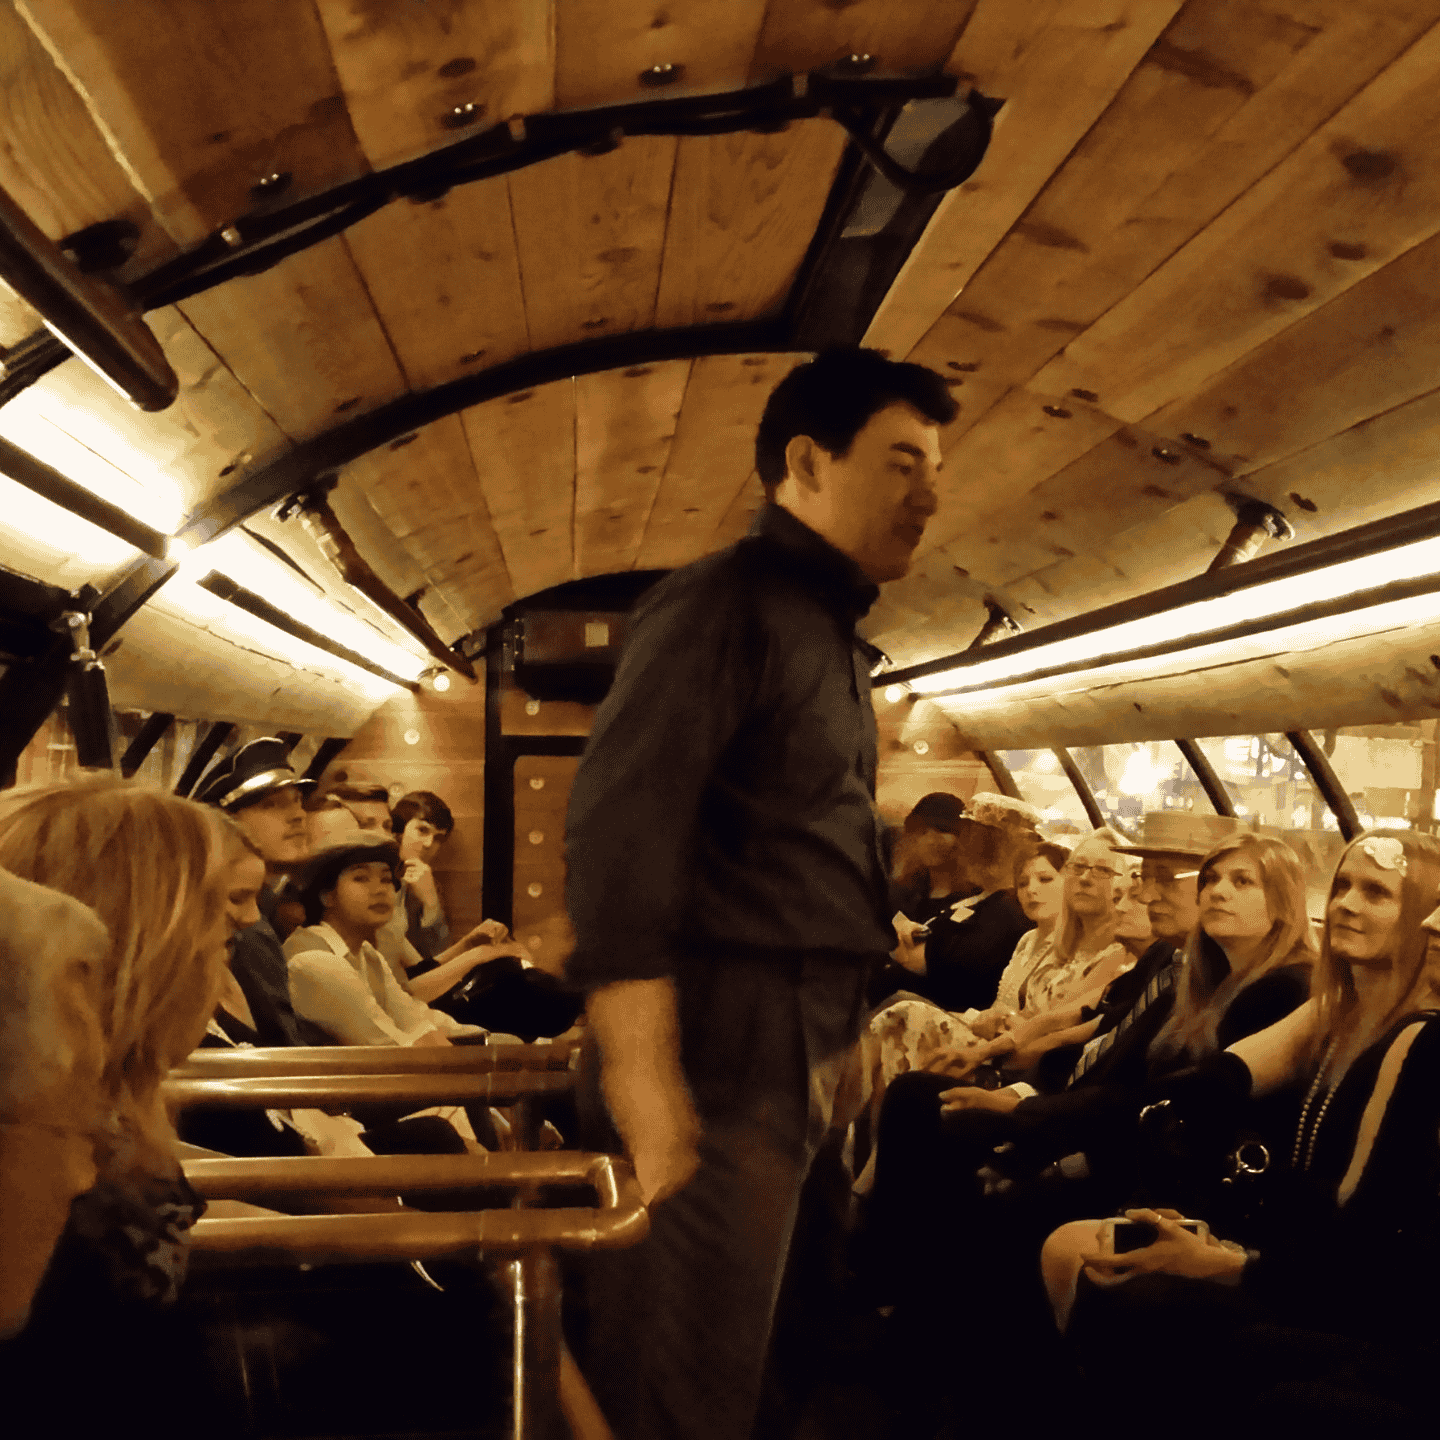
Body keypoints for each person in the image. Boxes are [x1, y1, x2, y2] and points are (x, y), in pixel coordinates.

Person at [564, 346, 957, 1440]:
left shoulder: (828, 634)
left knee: (772, 1356)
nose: (932, 492)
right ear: (805, 460)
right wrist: (644, 1078)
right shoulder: (722, 607)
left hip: (796, 1041)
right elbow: (619, 836)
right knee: (683, 1372)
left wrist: (840, 1038)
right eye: (902, 461)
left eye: (937, 467)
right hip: (718, 1045)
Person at [1042, 829, 1440, 1437]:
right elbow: (1214, 1083)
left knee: (1128, 1298)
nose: (1346, 906)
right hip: (1300, 1249)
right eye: (1342, 888)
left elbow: (1365, 1230)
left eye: (1377, 893)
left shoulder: (1414, 1037)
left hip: (1353, 1293)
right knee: (1104, 1262)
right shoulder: (1334, 1006)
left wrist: (1231, 1262)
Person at [0, 777, 230, 1410]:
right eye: (221, 938)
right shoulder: (58, 1188)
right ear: (154, 961)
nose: (223, 969)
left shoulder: (104, 1119)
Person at [282, 833, 487, 1047]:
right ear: (327, 896)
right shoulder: (315, 961)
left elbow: (415, 1022)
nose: (380, 890)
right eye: (360, 878)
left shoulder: (367, 954)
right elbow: (392, 1049)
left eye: (386, 879)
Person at [194, 737, 329, 1045]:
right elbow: (283, 1047)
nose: (298, 815)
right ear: (224, 823)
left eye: (297, 801)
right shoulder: (244, 928)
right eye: (272, 805)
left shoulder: (270, 906)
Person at [882, 793, 1043, 1012]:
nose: (959, 849)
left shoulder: (1009, 911)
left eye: (966, 838)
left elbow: (957, 974)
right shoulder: (980, 901)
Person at [386, 789, 454, 960]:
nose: (429, 844)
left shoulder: (427, 882)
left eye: (438, 838)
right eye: (422, 830)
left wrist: (431, 905)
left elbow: (440, 957)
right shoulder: (377, 873)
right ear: (398, 829)